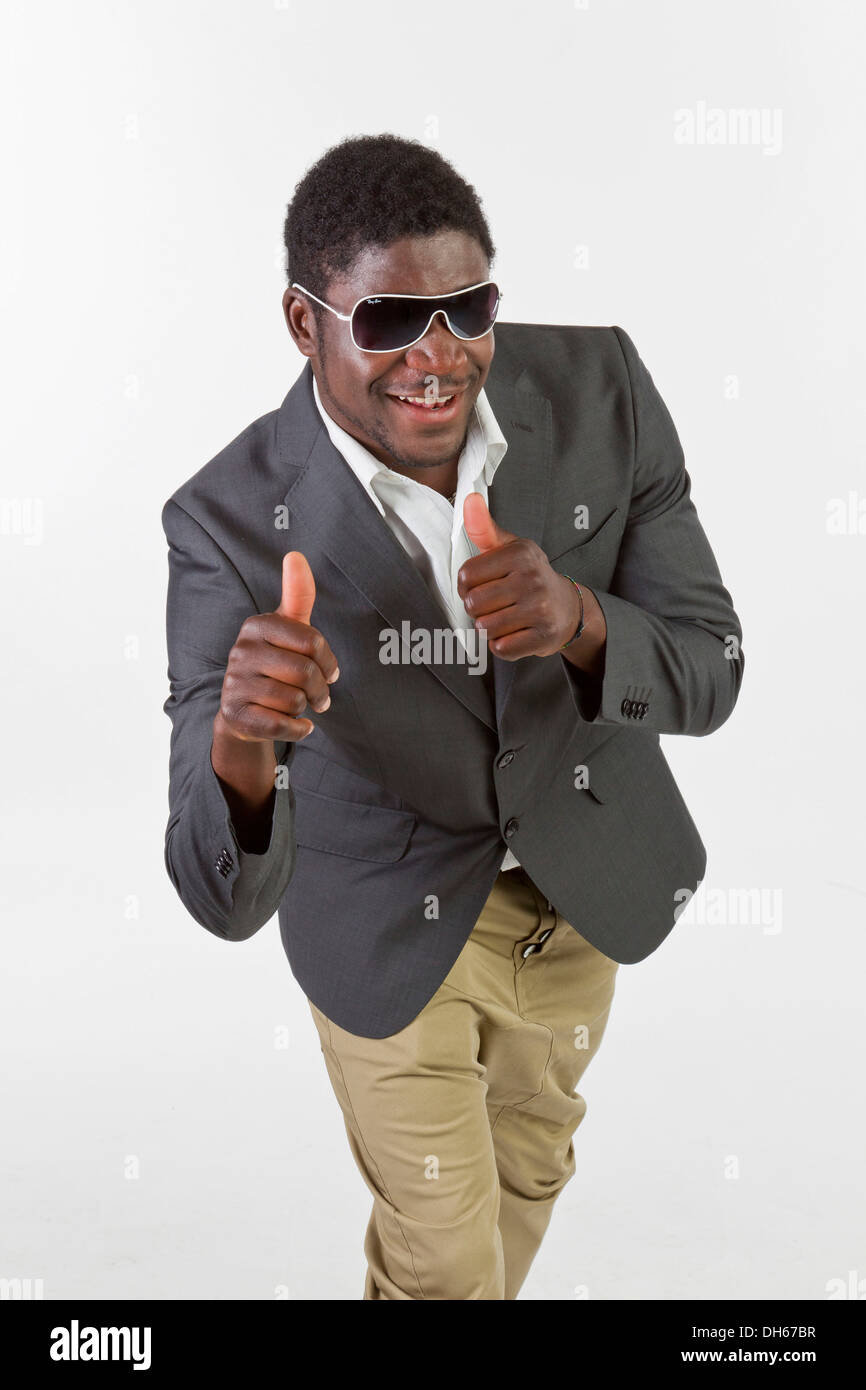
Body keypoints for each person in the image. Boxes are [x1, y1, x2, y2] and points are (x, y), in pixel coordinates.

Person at [161, 133, 745, 1300]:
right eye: (385, 320)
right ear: (302, 322)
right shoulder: (225, 523)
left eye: (467, 308)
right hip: (385, 924)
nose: (436, 356)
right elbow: (216, 891)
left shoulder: (600, 392)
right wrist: (240, 746)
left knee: (525, 1188)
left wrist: (580, 618)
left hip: (578, 899)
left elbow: (711, 668)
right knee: (443, 1254)